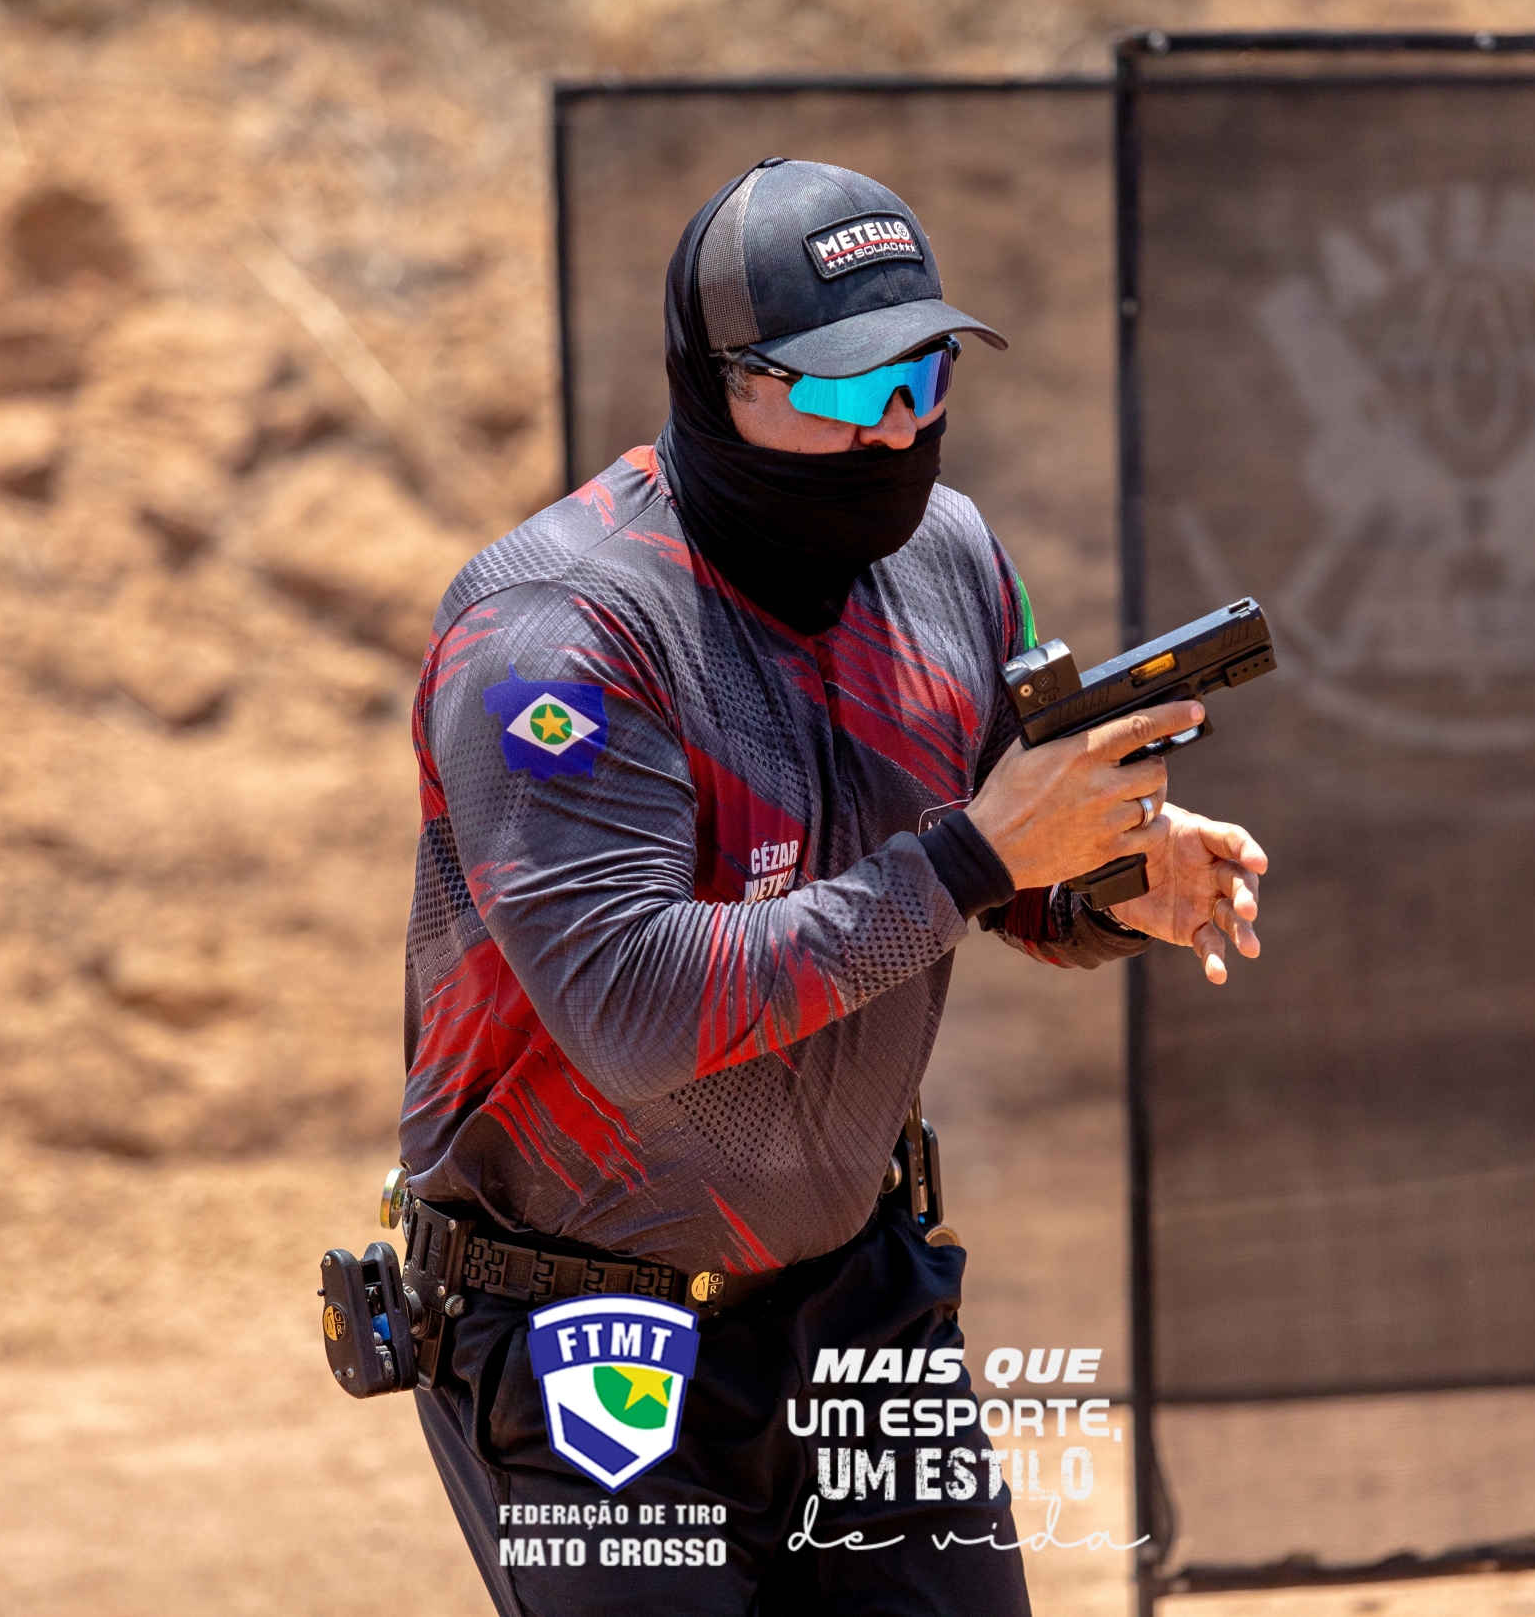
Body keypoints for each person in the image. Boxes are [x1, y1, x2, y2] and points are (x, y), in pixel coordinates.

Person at [398, 158, 1263, 1615]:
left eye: (926, 374)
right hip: (580, 1329)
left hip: (862, 1307)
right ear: (716, 384)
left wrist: (1108, 879)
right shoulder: (556, 634)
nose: (902, 426)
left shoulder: (949, 558)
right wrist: (986, 854)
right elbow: (634, 1013)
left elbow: (996, 863)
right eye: (854, 387)